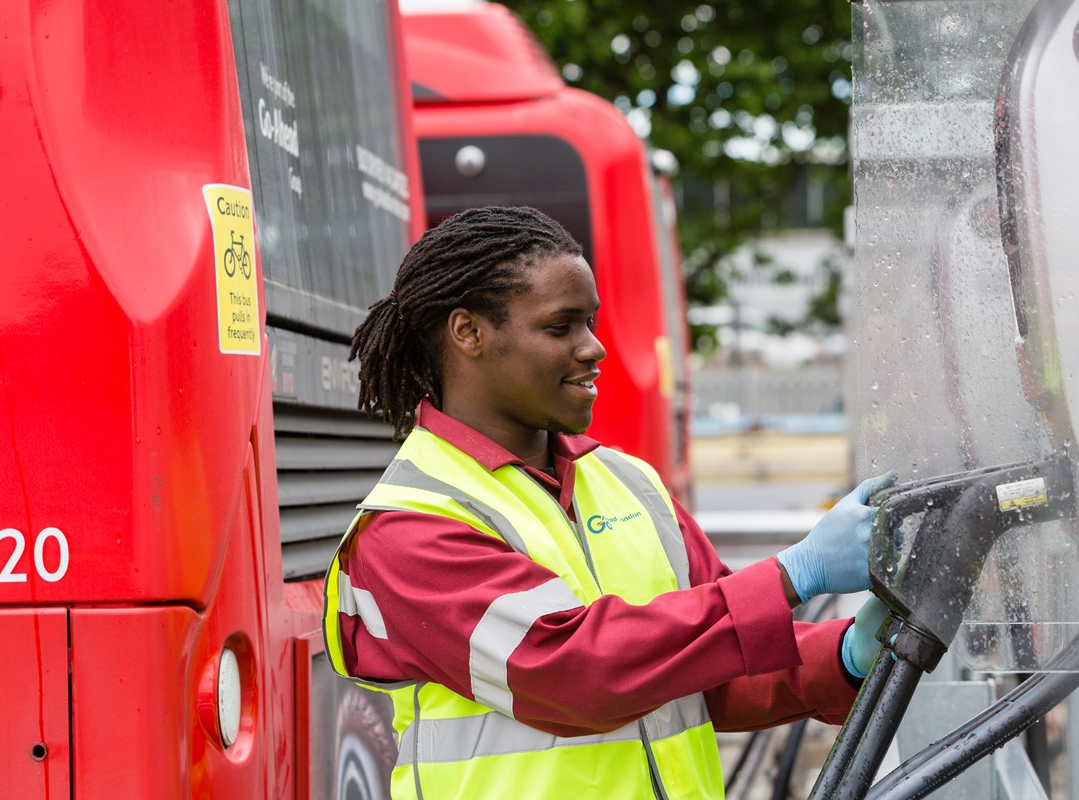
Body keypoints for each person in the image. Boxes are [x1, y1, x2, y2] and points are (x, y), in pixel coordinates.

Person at [323, 206, 894, 799]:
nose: (593, 348)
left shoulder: (630, 482)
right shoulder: (410, 525)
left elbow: (713, 663)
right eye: (560, 327)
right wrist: (792, 576)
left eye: (590, 322)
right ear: (469, 333)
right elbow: (574, 674)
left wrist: (847, 655)